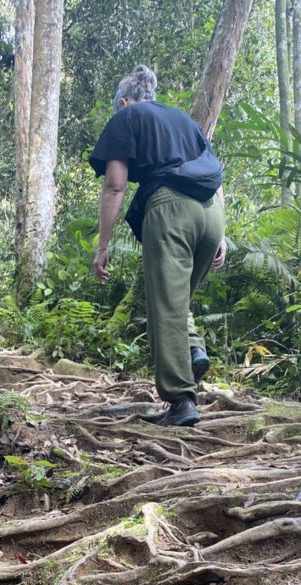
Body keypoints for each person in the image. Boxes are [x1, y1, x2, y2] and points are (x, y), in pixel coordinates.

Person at [89, 64, 226, 427]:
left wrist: (102, 245)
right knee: (176, 299)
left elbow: (116, 185)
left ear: (124, 100)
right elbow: (214, 170)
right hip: (212, 213)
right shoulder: (184, 120)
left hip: (170, 209)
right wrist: (222, 235)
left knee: (163, 305)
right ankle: (194, 347)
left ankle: (181, 401)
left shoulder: (126, 116)